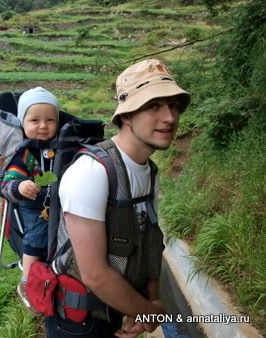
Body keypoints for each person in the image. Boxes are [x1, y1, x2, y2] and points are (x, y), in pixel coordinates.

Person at [46, 59, 191, 337]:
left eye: (173, 105)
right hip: (79, 324)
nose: (170, 118)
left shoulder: (150, 172)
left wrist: (151, 301)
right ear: (126, 115)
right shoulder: (92, 172)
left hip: (116, 310)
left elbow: (150, 239)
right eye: (153, 106)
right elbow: (95, 274)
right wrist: (148, 312)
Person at [0, 86, 59, 314]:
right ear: (22, 122)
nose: (43, 126)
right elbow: (7, 185)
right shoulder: (23, 153)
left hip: (58, 202)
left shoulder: (60, 147)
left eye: (50, 120)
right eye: (35, 120)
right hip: (35, 207)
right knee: (35, 239)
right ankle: (27, 284)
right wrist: (21, 186)